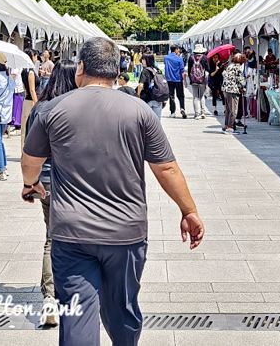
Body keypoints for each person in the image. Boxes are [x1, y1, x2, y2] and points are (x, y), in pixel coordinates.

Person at [21, 37, 203, 345]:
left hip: (72, 233)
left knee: (77, 316)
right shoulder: (139, 111)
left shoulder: (51, 110)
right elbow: (167, 168)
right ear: (117, 71)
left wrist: (31, 184)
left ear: (81, 68)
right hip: (126, 233)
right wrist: (188, 211)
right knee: (123, 309)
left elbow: (30, 161)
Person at [22, 61, 78, 326]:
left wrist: (30, 183)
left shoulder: (40, 109)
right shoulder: (76, 108)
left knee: (51, 238)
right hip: (76, 184)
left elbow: (29, 151)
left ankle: (50, 299)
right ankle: (75, 291)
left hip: (46, 182)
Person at [222, 53, 246, 134]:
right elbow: (240, 80)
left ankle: (226, 125)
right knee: (233, 110)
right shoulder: (237, 67)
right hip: (233, 90)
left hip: (226, 89)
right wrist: (243, 87)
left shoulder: (230, 65)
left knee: (228, 109)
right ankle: (230, 127)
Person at [20, 50, 40, 149]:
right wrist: (37, 104)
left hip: (26, 101)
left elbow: (24, 88)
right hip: (32, 101)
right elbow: (32, 90)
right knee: (31, 128)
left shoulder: (23, 71)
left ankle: (23, 150)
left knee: (24, 128)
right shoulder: (30, 72)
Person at [137, 53, 163, 118]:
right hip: (158, 98)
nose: (141, 61)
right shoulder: (158, 70)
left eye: (143, 59)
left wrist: (138, 95)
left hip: (147, 99)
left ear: (146, 60)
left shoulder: (145, 71)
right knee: (157, 121)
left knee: (146, 122)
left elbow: (140, 85)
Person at [164, 45, 187, 118]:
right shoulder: (179, 59)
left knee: (171, 96)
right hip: (178, 79)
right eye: (178, 50)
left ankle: (173, 112)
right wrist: (185, 81)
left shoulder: (166, 58)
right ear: (176, 50)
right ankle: (182, 108)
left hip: (169, 79)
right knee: (181, 95)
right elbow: (182, 71)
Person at [187, 44, 208, 119]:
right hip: (202, 80)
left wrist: (190, 79)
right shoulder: (204, 58)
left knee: (195, 97)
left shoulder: (191, 57)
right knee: (202, 96)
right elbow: (207, 69)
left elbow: (189, 70)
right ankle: (203, 112)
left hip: (194, 80)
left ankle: (197, 114)